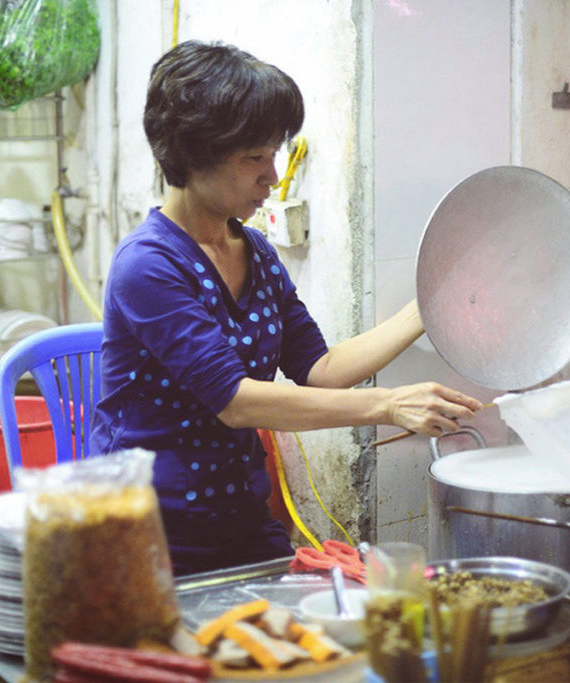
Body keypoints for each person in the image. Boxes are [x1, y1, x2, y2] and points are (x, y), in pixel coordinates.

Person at [89, 40, 482, 576]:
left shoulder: (255, 252)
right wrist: (388, 405)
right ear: (194, 151)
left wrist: (429, 305)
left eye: (274, 153)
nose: (272, 176)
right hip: (149, 532)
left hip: (239, 520)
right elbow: (236, 402)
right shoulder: (148, 266)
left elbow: (320, 372)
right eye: (255, 157)